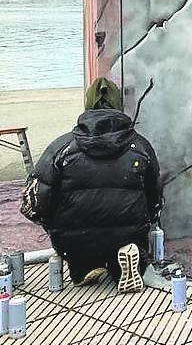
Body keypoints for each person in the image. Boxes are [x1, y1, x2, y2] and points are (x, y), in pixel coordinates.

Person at [20, 77, 162, 294]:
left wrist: (51, 225)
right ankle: (126, 258)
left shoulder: (62, 147)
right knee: (126, 240)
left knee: (77, 256)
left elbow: (34, 203)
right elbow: (155, 198)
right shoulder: (140, 146)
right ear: (118, 106)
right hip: (129, 231)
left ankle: (82, 266)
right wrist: (147, 221)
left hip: (74, 236)